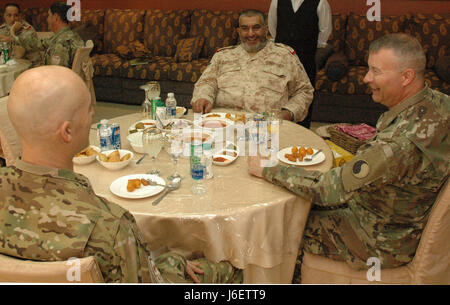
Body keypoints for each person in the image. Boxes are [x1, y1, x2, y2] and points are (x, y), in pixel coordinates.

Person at [0, 65, 242, 284]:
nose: (93, 116)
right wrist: (174, 263)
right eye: (88, 110)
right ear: (68, 132)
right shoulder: (110, 226)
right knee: (232, 268)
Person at [247, 33, 449, 283]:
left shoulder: (398, 144)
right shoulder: (440, 103)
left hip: (379, 238)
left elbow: (329, 189)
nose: (366, 78)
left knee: (280, 220)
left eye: (376, 71)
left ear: (406, 77)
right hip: (399, 214)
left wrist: (267, 168)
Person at [191, 9, 314, 123]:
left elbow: (304, 91)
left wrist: (288, 113)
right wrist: (203, 97)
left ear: (266, 29)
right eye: (245, 28)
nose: (251, 34)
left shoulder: (285, 56)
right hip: (224, 123)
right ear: (239, 32)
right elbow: (206, 82)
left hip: (267, 125)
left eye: (256, 28)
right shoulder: (222, 56)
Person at [268, 0, 332, 128]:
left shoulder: (321, 3)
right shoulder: (276, 1)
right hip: (281, 60)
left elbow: (324, 32)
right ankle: (278, 131)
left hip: (306, 59)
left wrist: (308, 46)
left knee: (305, 97)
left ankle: (302, 133)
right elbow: (273, 29)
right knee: (279, 95)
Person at [9, 1, 84, 67]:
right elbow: (38, 44)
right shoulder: (72, 35)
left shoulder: (60, 43)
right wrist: (13, 34)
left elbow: (57, 74)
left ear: (55, 17)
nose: (47, 19)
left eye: (49, 15)